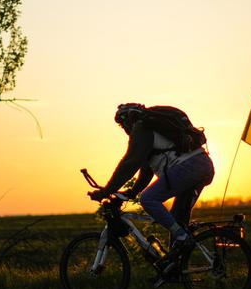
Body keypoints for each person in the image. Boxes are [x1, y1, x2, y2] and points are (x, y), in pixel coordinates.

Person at [88, 103, 215, 256]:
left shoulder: (142, 128)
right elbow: (146, 171)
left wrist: (107, 190)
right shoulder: (153, 129)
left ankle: (182, 238)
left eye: (122, 125)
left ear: (128, 120)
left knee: (148, 199)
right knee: (176, 219)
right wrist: (133, 191)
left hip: (189, 168)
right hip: (203, 165)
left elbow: (130, 163)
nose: (124, 129)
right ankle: (176, 269)